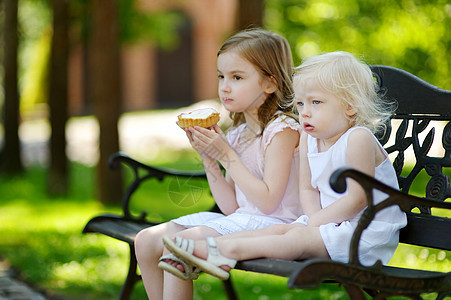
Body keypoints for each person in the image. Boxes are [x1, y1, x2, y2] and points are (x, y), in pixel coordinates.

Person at [161, 51, 408, 281]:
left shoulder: (358, 138)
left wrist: (315, 223)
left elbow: (357, 199)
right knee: (281, 230)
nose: (305, 113)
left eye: (316, 103)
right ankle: (212, 249)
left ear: (350, 106)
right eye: (300, 104)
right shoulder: (310, 138)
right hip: (331, 225)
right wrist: (313, 219)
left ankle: (224, 251)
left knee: (296, 236)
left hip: (365, 233)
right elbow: (308, 190)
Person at [134, 28, 302, 299]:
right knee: (146, 241)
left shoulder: (283, 130)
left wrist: (226, 155)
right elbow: (232, 207)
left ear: (270, 84)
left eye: (237, 77)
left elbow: (269, 203)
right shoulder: (238, 134)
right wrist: (208, 157)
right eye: (221, 76)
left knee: (177, 246)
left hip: (278, 226)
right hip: (243, 220)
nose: (224, 86)